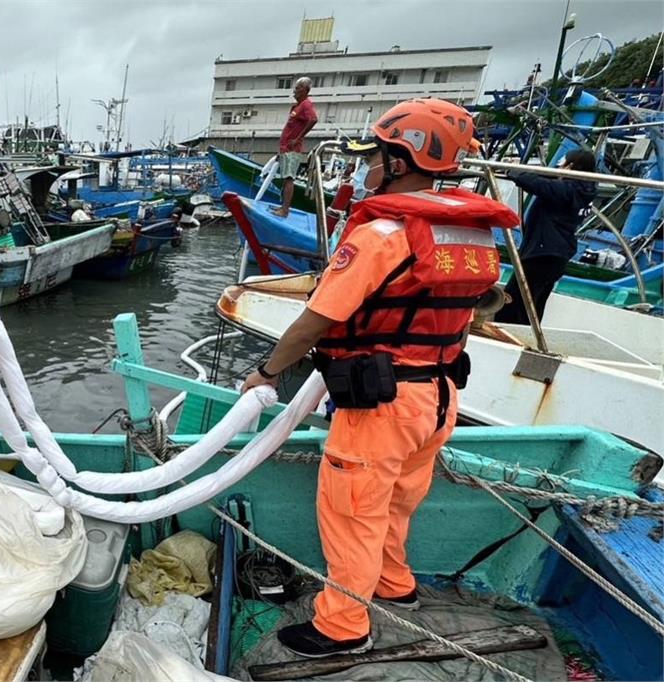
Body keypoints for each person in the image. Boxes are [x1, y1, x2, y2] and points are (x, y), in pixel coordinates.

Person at [241, 99, 519, 659]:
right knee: (396, 503)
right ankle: (397, 587)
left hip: (380, 406)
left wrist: (266, 373)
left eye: (375, 156)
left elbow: (314, 323)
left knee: (352, 514)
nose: (366, 168)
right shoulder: (468, 234)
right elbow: (468, 313)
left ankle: (343, 628)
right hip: (439, 399)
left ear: (400, 159)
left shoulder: (382, 234)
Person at [495, 149, 597, 324]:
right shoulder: (585, 190)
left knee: (515, 300)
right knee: (535, 302)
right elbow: (547, 182)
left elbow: (540, 185)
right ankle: (529, 335)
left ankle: (507, 333)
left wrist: (512, 172)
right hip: (557, 253)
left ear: (570, 167)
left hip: (542, 253)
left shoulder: (568, 191)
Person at [270, 76, 318, 218]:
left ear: (305, 90)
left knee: (289, 178)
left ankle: (285, 210)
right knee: (286, 177)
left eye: (298, 88)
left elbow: (313, 119)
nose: (295, 91)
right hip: (286, 149)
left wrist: (298, 138)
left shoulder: (306, 104)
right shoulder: (297, 106)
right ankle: (283, 207)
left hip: (292, 149)